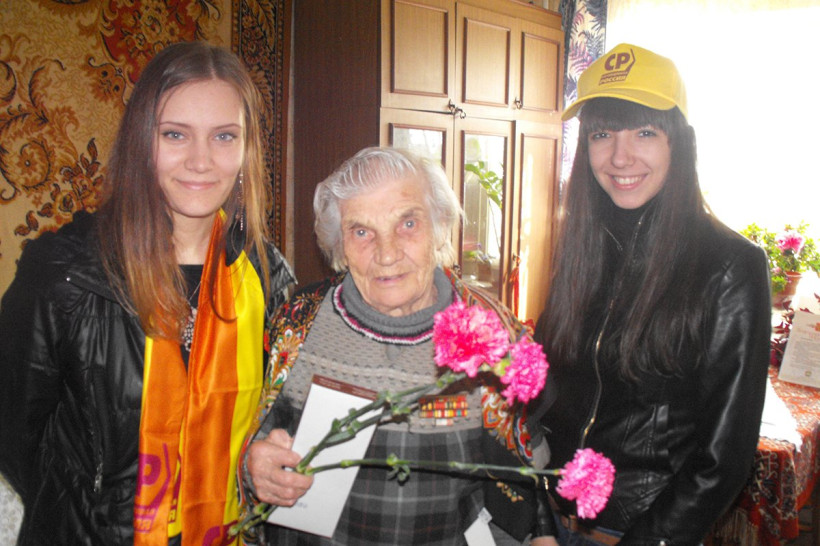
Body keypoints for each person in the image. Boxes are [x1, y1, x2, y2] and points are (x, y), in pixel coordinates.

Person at [0, 41, 294, 545]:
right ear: (142, 142)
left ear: (247, 150)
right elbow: (14, 436)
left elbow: (274, 420)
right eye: (175, 134)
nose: (201, 161)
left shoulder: (267, 276)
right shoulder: (64, 274)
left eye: (224, 136)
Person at [238, 147, 554, 545]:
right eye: (361, 232)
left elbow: (526, 473)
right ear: (339, 245)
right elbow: (254, 443)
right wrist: (255, 469)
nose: (386, 254)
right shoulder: (298, 322)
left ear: (439, 227)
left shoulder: (491, 331)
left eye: (407, 223)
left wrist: (539, 533)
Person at [532, 43, 771, 544]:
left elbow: (722, 459)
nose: (620, 157)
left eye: (644, 132)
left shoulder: (730, 266)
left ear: (678, 143)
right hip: (550, 522)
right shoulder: (580, 248)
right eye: (602, 134)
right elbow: (543, 398)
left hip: (639, 530)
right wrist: (534, 518)